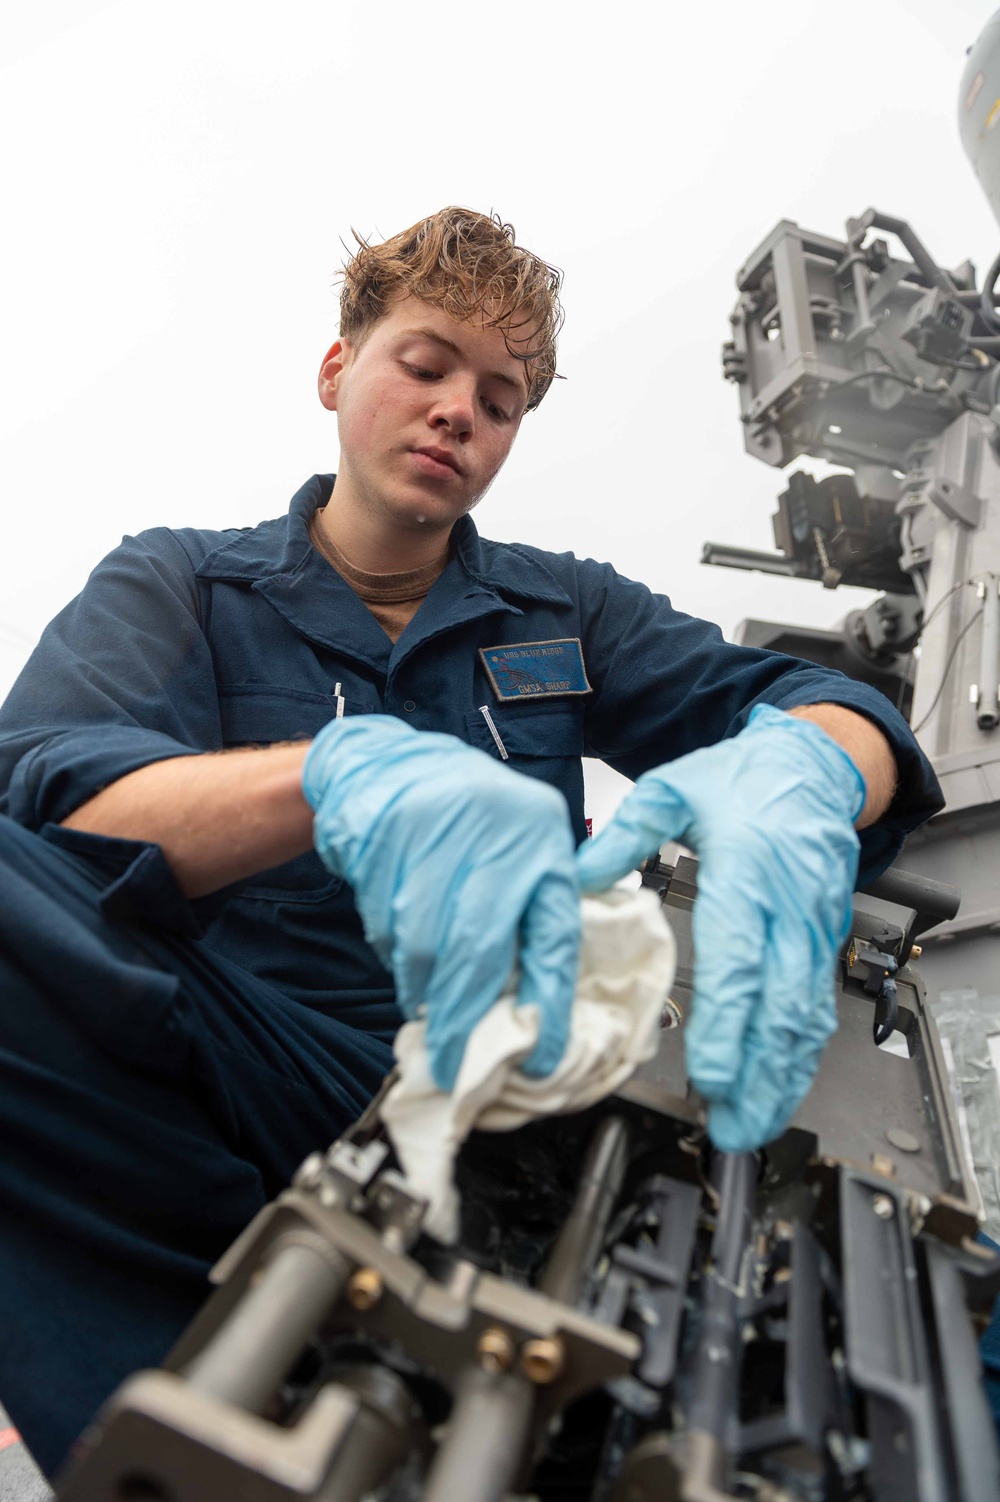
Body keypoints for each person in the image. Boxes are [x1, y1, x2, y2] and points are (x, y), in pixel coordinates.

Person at [0, 207, 941, 1474]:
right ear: (339, 369)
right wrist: (335, 779)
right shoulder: (179, 585)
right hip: (255, 1071)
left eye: (500, 399)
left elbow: (813, 706)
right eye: (426, 363)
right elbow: (48, 798)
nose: (459, 412)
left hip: (518, 1085)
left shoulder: (566, 608)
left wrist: (810, 765)